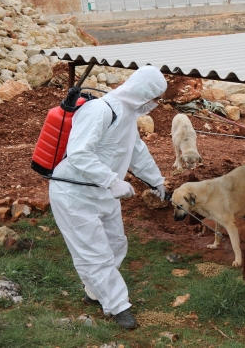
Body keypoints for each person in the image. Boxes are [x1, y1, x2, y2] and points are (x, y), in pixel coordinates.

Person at [48, 66, 168, 330]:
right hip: (74, 194)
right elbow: (79, 154)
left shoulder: (127, 115)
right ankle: (118, 307)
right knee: (94, 254)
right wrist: (112, 181)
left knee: (116, 244)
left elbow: (136, 152)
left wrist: (157, 181)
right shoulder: (99, 110)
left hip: (102, 193)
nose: (155, 104)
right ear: (142, 93)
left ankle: (95, 289)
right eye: (155, 98)